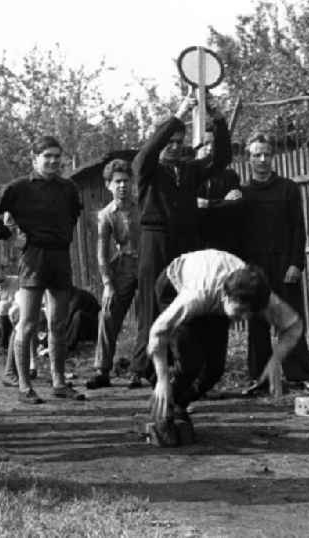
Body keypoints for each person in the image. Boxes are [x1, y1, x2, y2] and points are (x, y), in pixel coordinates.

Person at [147, 249, 303, 446]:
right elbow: (157, 332)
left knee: (214, 369)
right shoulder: (196, 296)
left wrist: (275, 360)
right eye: (241, 311)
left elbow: (294, 326)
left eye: (250, 313)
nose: (245, 318)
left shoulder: (258, 295)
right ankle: (162, 405)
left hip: (217, 292)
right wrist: (162, 379)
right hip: (175, 284)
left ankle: (178, 404)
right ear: (225, 297)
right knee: (190, 362)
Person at [130, 95, 230, 388]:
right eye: (168, 140)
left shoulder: (188, 170)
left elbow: (221, 158)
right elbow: (146, 154)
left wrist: (219, 119)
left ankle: (183, 365)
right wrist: (179, 113)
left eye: (178, 140)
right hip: (155, 240)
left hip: (186, 244)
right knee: (151, 303)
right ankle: (145, 367)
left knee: (186, 303)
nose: (174, 146)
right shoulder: (147, 170)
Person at [0, 136, 84, 403]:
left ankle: (59, 381)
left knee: (58, 322)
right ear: (34, 158)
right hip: (33, 257)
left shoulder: (69, 188)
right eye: (47, 156)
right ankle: (24, 386)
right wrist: (8, 235)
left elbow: (72, 218)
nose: (53, 161)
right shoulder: (19, 188)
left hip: (60, 257)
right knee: (28, 322)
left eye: (57, 156)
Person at [239, 133, 309, 390]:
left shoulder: (288, 188)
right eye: (256, 155)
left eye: (266, 154)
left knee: (290, 319)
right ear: (248, 159)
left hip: (284, 264)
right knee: (257, 322)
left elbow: (298, 228)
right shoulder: (242, 193)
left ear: (273, 156)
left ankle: (300, 375)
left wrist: (296, 263)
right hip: (255, 266)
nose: (262, 160)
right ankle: (259, 378)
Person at [86, 159, 140, 389]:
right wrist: (107, 282)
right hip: (124, 264)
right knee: (108, 314)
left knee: (150, 316)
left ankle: (142, 370)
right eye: (117, 182)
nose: (122, 186)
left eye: (126, 181)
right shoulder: (106, 214)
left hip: (148, 263)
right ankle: (102, 369)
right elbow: (101, 252)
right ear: (109, 185)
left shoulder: (143, 205)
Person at [195, 124, 243, 254]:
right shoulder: (189, 176)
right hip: (198, 246)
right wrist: (222, 203)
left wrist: (207, 203)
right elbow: (191, 209)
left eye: (214, 144)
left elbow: (235, 206)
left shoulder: (230, 176)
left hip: (225, 245)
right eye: (206, 144)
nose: (210, 148)